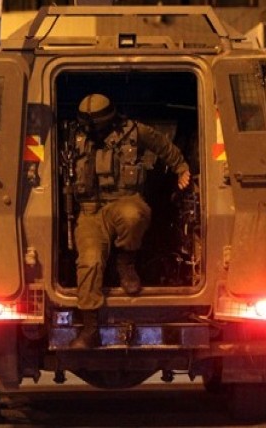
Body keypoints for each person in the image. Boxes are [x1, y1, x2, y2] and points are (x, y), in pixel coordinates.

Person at [67, 93, 191, 348]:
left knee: (134, 215)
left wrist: (181, 167)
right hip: (89, 211)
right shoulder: (73, 136)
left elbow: (162, 145)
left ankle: (126, 263)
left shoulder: (134, 131)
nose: (93, 130)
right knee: (89, 262)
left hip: (124, 200)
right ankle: (90, 328)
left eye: (97, 125)